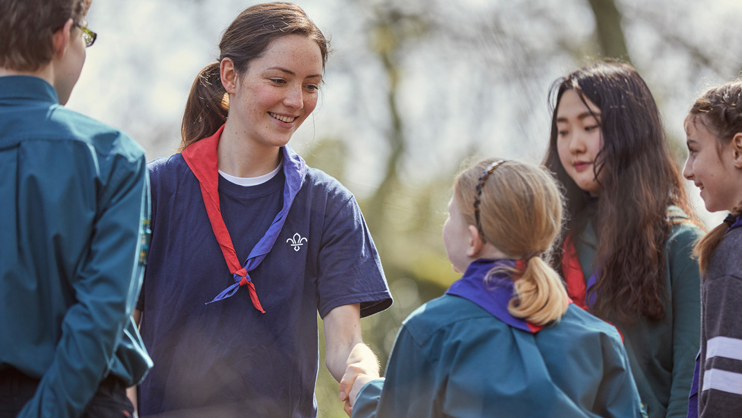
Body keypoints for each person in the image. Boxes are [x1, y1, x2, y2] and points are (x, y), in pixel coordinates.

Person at [133, 3, 392, 417]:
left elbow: (345, 344)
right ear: (230, 76)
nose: (296, 101)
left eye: (311, 86)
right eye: (279, 80)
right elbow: (120, 332)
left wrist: (363, 368)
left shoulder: (328, 204)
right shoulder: (153, 190)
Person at [340, 159, 643, 417]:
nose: (445, 223)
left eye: (450, 214)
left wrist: (365, 392)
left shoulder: (430, 331)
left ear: (473, 239)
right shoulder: (601, 338)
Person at [0, 0, 152, 417]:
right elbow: (101, 315)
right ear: (62, 36)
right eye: (86, 36)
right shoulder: (113, 157)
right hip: (81, 403)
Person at [543, 62, 703, 418]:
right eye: (563, 130)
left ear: (630, 132)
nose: (574, 145)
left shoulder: (682, 245)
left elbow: (690, 387)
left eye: (589, 126)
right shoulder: (550, 242)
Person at [682, 80, 742, 418]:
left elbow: (725, 394)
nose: (687, 170)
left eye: (694, 150)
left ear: (737, 150)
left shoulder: (732, 254)